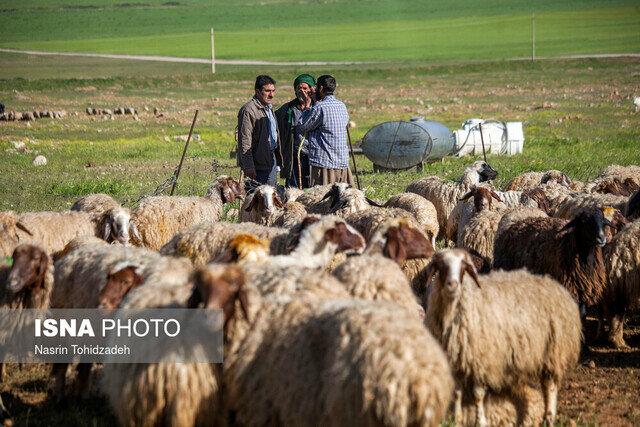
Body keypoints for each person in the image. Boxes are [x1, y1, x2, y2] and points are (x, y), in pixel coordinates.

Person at [295, 75, 354, 186]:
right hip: (342, 161)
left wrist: (308, 105)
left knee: (324, 197)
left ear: (321, 88)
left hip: (325, 163)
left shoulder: (319, 107)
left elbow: (303, 126)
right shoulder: (342, 105)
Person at [237, 75, 282, 185]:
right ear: (257, 91)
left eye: (273, 91)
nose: (271, 95)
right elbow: (245, 140)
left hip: (270, 159)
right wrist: (248, 166)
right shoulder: (249, 110)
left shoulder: (268, 107)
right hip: (257, 164)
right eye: (267, 91)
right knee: (256, 197)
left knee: (270, 195)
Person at [275, 74, 315, 189]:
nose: (302, 91)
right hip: (294, 155)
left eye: (305, 88)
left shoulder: (317, 107)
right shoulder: (288, 109)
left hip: (314, 155)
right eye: (299, 88)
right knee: (293, 188)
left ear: (311, 90)